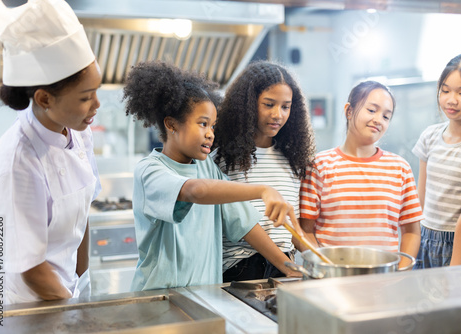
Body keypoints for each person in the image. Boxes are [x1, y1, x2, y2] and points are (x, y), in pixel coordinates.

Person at [123, 61, 301, 291]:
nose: (210, 134)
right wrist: (263, 190)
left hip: (205, 297)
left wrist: (289, 267)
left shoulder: (208, 168)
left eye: (213, 126)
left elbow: (244, 222)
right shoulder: (150, 171)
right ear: (171, 125)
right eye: (203, 124)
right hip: (159, 297)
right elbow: (194, 191)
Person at [0, 0, 102, 305]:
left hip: (65, 292)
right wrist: (72, 311)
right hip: (21, 307)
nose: (97, 105)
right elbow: (30, 268)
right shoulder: (16, 161)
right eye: (86, 97)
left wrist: (82, 278)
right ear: (44, 98)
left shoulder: (79, 132)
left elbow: (84, 211)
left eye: (97, 92)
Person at [298, 81, 423, 266]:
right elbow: (304, 230)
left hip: (382, 281)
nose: (378, 119)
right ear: (349, 111)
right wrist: (325, 266)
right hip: (332, 280)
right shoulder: (319, 165)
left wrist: (401, 273)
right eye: (372, 110)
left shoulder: (400, 168)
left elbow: (411, 232)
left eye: (386, 116)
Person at [212, 61, 315, 282]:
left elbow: (291, 228)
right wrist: (287, 266)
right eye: (269, 104)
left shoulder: (293, 161)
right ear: (247, 105)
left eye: (285, 106)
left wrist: (323, 261)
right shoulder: (223, 160)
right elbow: (244, 226)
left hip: (285, 265)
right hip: (242, 267)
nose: (278, 114)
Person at [413, 52, 461, 268]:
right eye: (445, 90)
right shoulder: (429, 136)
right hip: (427, 237)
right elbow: (421, 197)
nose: (451, 99)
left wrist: (455, 271)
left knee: (459, 301)